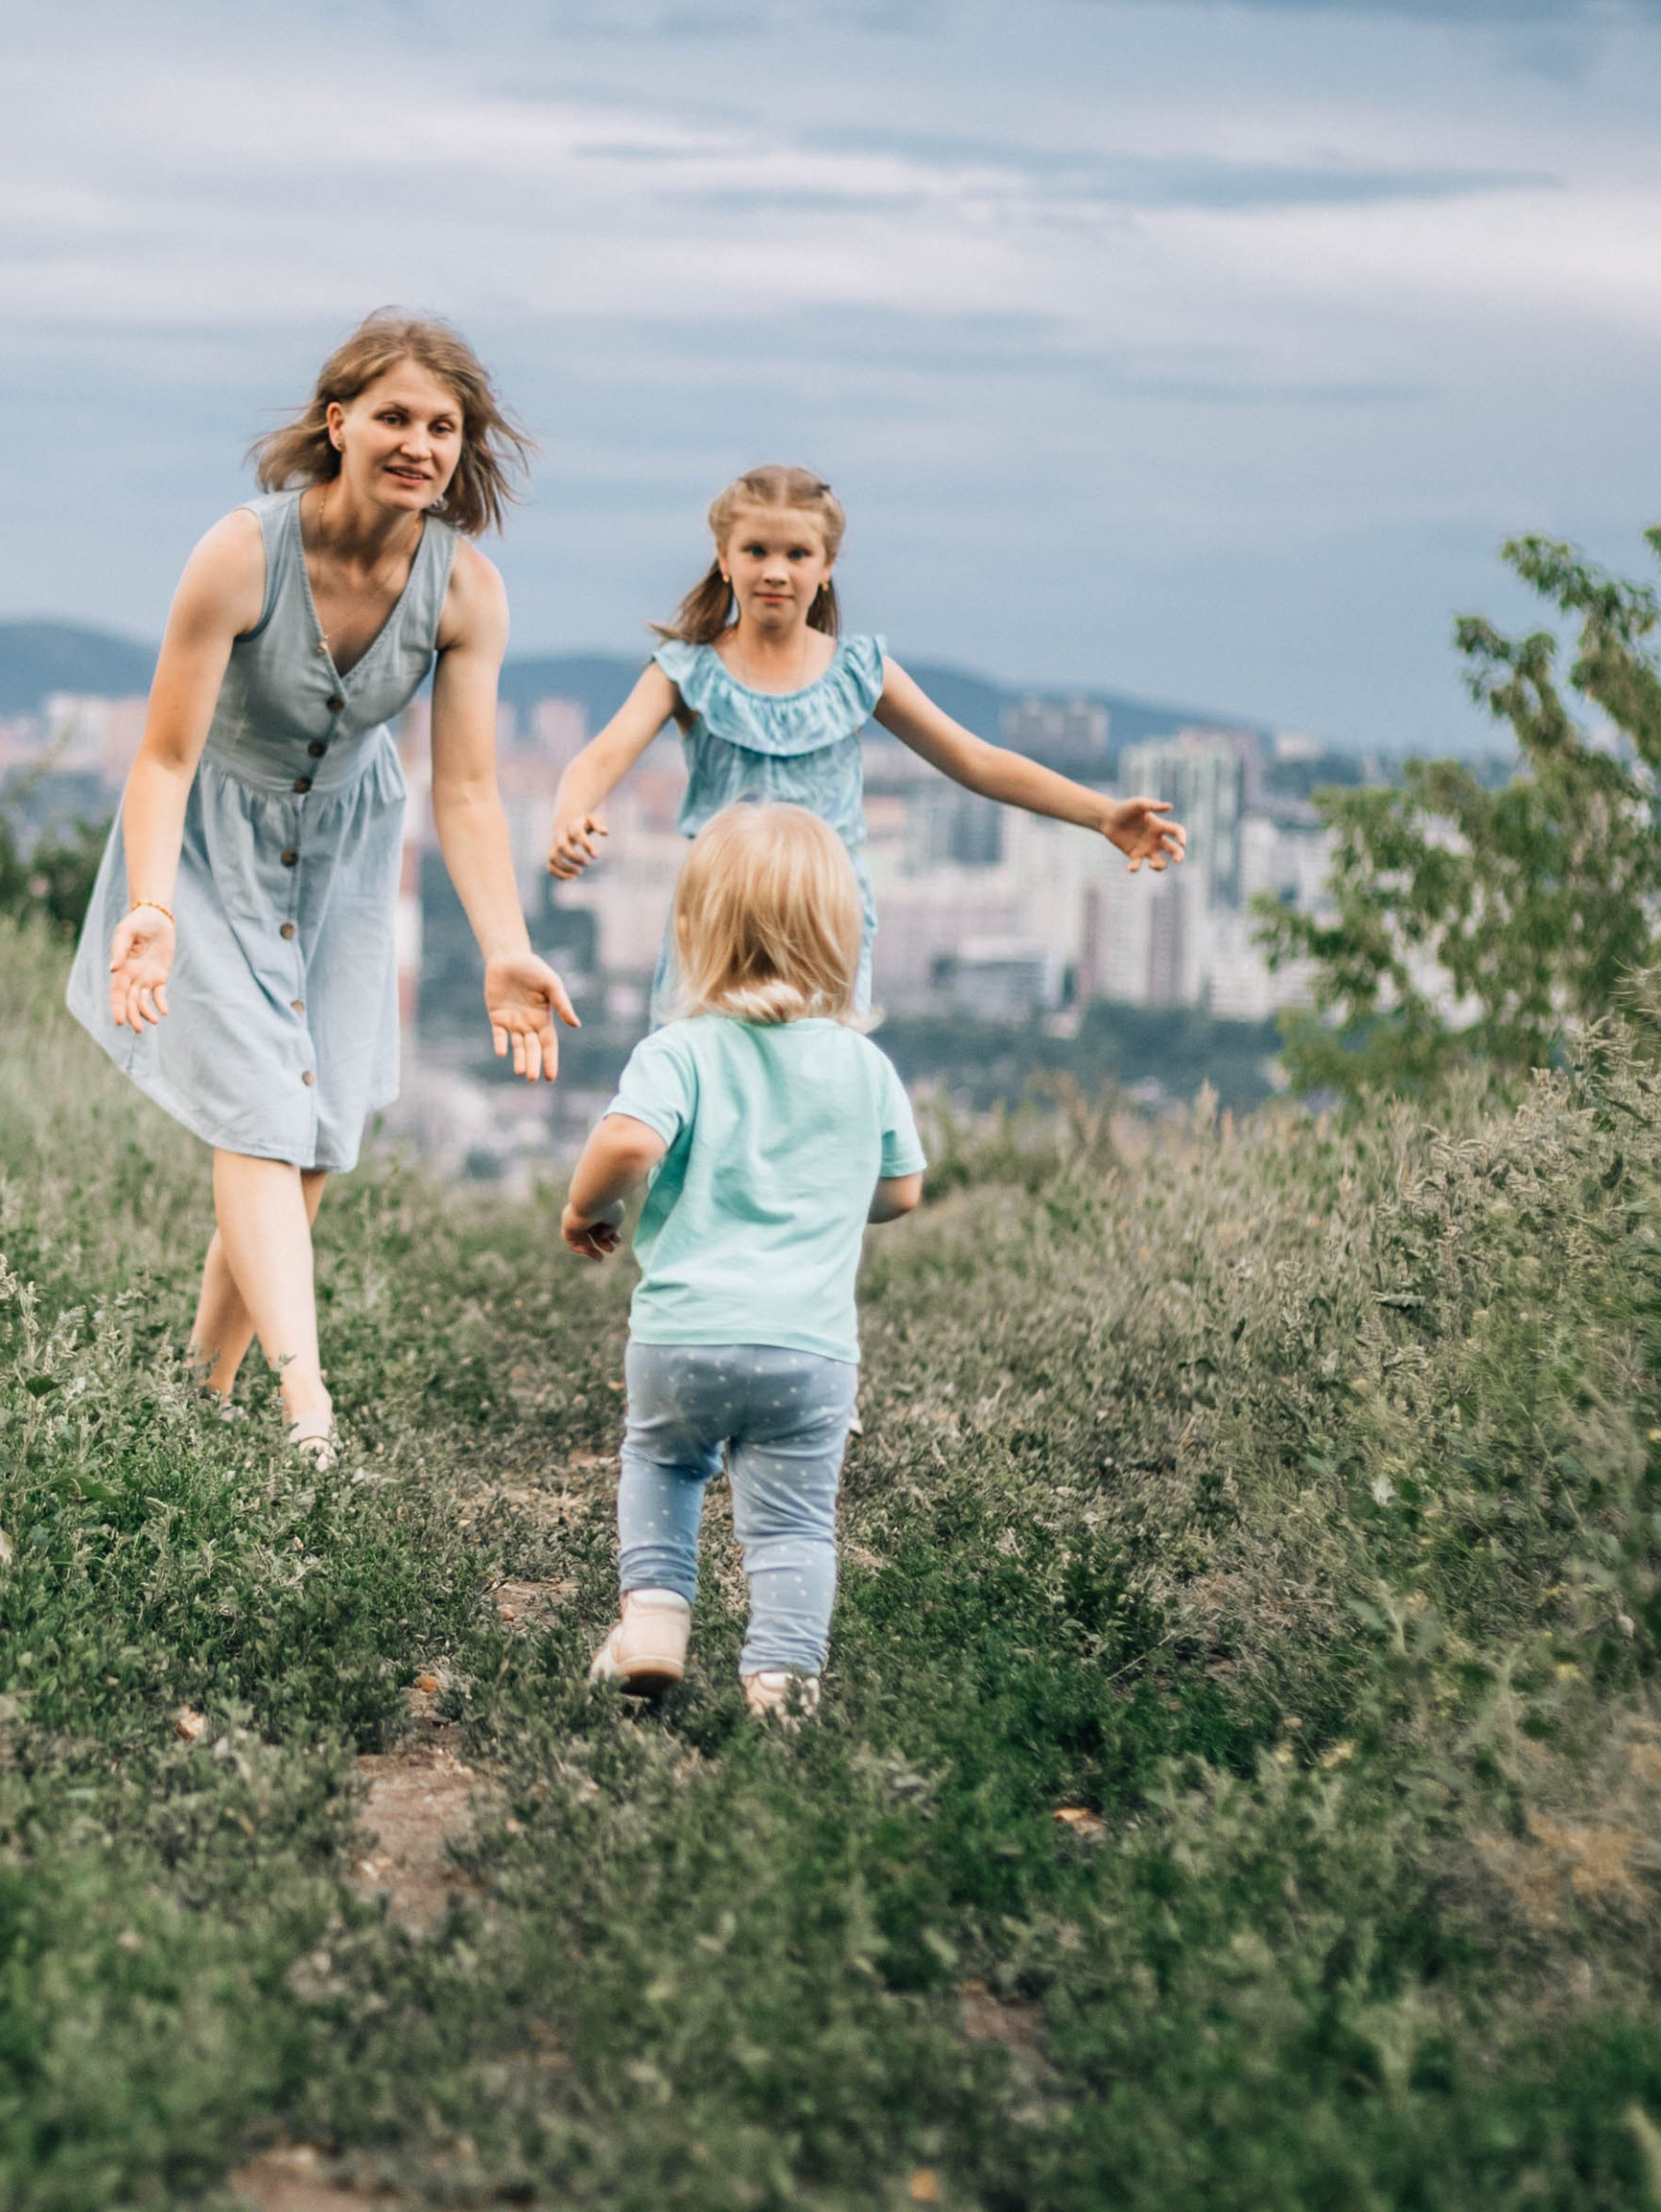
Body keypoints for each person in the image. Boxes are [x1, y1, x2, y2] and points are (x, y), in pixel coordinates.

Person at [68, 311, 577, 1458]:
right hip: (204, 843)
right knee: (256, 1116)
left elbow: (467, 793)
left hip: (346, 854)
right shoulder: (242, 552)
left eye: (443, 426)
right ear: (338, 421)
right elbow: (160, 756)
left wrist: (503, 943)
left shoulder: (465, 590)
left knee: (308, 1141)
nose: (420, 443)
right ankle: (309, 1412)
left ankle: (193, 1407)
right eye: (395, 416)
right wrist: (150, 904)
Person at [546, 462, 1184, 1014]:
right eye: (757, 551)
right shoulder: (688, 670)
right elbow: (600, 756)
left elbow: (974, 760)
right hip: (720, 926)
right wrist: (572, 813)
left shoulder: (858, 672)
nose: (775, 571)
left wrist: (1102, 814)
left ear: (826, 567)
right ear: (723, 557)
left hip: (825, 925)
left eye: (796, 554)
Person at [562, 803, 924, 1718]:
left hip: (684, 1335)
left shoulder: (678, 1051)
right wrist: (835, 1194)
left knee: (664, 1463)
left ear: (694, 934)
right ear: (841, 938)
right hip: (810, 1353)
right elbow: (903, 1189)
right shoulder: (863, 1066)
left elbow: (628, 1144)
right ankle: (783, 1684)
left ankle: (652, 1625)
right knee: (797, 1524)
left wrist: (585, 1205)